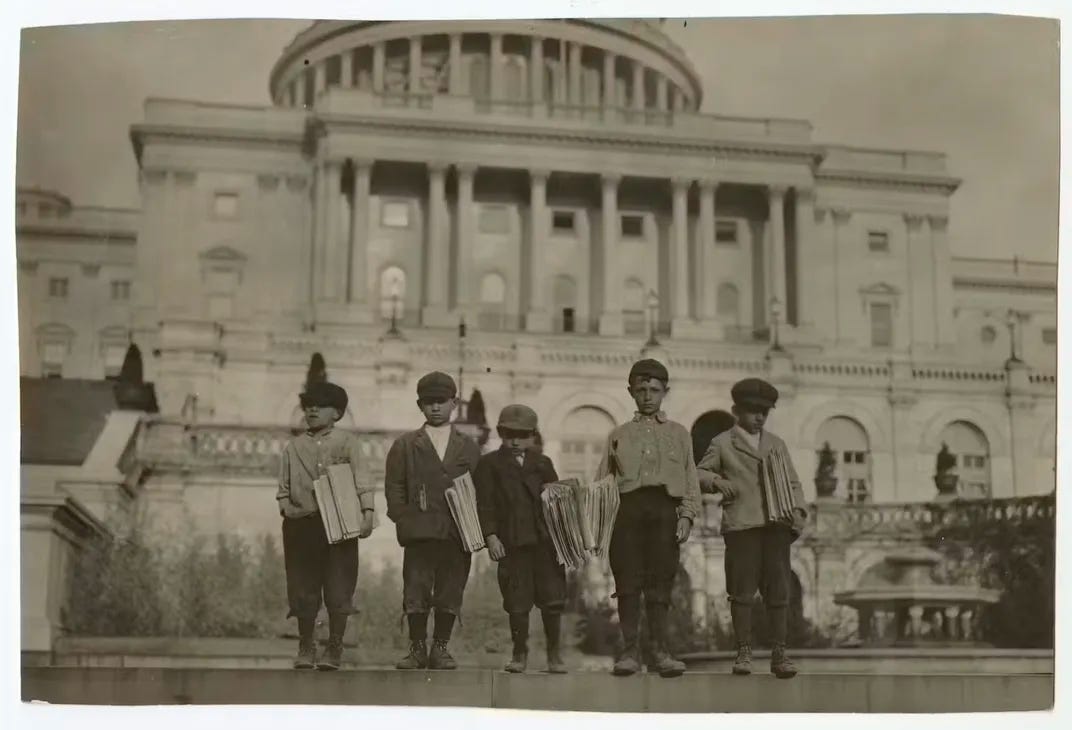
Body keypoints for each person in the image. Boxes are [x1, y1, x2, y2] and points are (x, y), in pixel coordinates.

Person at [696, 377, 807, 679]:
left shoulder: (776, 444)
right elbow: (699, 472)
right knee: (741, 591)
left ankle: (779, 653)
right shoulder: (722, 443)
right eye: (752, 410)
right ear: (736, 410)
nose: (759, 417)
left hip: (776, 525)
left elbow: (793, 482)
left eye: (765, 412)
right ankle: (744, 651)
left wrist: (798, 510)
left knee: (779, 591)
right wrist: (717, 482)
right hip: (742, 525)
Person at [597, 358, 702, 678]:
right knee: (627, 584)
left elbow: (690, 478)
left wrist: (686, 516)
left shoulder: (679, 434)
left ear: (664, 392)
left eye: (654, 390)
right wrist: (599, 526)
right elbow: (602, 483)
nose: (647, 396)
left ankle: (659, 652)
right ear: (631, 392)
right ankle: (629, 653)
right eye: (640, 389)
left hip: (663, 512)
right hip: (626, 512)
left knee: (660, 584)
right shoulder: (618, 435)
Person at [385, 371, 482, 670]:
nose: (435, 407)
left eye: (441, 401)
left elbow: (479, 487)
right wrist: (404, 517)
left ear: (454, 403)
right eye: (428, 402)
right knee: (416, 588)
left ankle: (440, 649)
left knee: (450, 589)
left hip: (457, 532)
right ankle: (416, 649)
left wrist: (472, 523)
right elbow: (394, 487)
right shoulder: (405, 445)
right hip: (420, 532)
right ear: (419, 405)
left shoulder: (468, 446)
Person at [277, 381, 375, 670]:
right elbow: (283, 487)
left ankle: (335, 647)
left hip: (340, 525)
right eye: (308, 406)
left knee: (339, 587)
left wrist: (366, 511)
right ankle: (306, 646)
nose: (312, 410)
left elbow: (362, 478)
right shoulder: (293, 447)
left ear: (338, 413)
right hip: (302, 526)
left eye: (320, 405)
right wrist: (287, 507)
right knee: (303, 588)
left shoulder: (348, 443)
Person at [474, 405, 567, 674]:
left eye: (522, 435)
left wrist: (566, 538)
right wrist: (490, 536)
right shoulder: (490, 464)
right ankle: (519, 653)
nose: (515, 441)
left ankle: (554, 655)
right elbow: (485, 504)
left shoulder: (543, 463)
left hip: (546, 544)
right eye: (509, 434)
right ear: (501, 433)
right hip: (512, 544)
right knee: (517, 602)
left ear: (532, 436)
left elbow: (559, 502)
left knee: (552, 600)